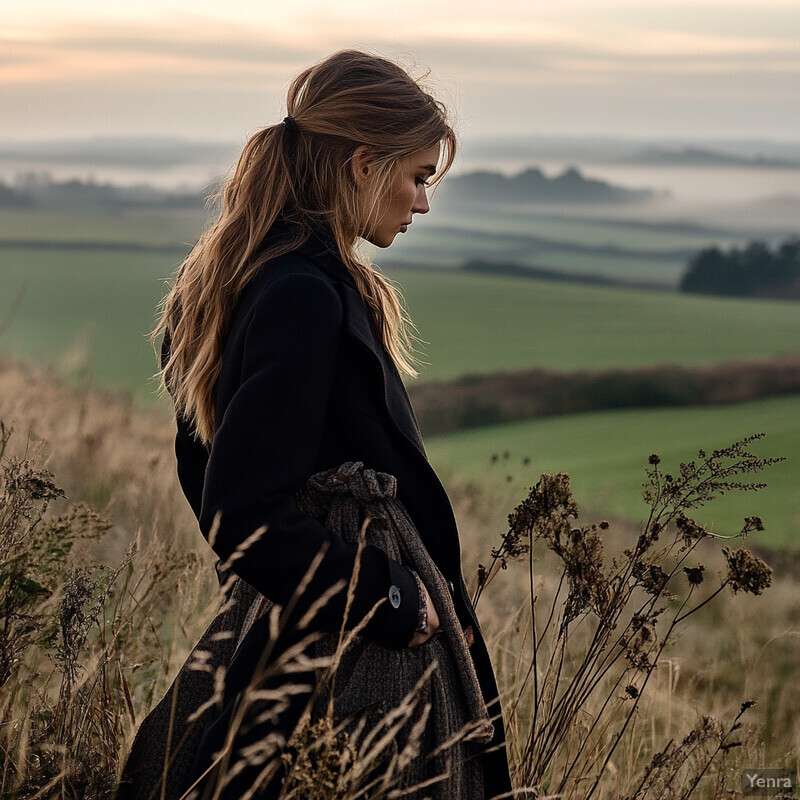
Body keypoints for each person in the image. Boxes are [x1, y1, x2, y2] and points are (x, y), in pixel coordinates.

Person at [132, 49, 512, 799]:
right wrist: (390, 596)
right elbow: (240, 508)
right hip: (350, 659)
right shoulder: (302, 296)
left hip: (293, 624)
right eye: (418, 176)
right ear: (363, 164)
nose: (423, 203)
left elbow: (205, 468)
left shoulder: (231, 277)